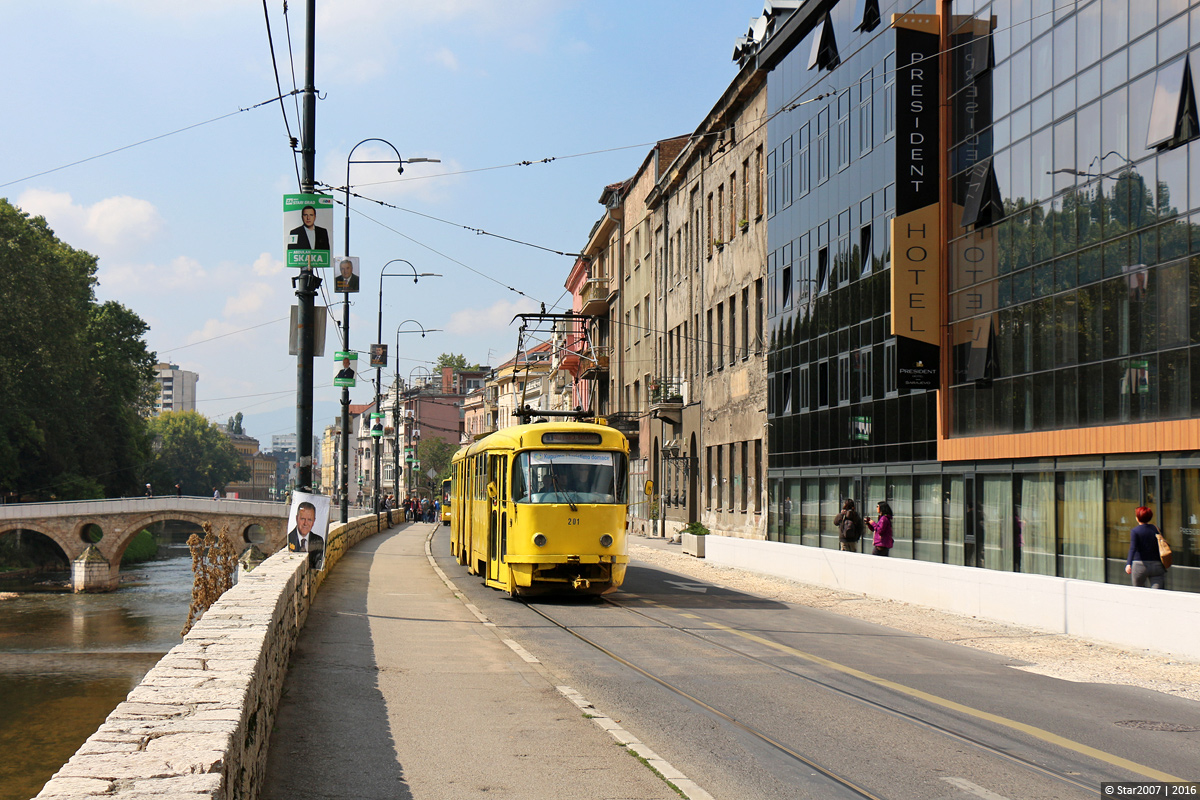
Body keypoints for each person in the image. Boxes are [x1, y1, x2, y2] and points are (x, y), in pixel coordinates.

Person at [1125, 506, 1166, 589]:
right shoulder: (1156, 529)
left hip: (1140, 565)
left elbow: (1133, 548)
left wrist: (1128, 563)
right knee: (1158, 594)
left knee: (1138, 592)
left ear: (1137, 518)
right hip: (1156, 565)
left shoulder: (1135, 531)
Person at [287, 501, 324, 569]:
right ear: (296, 518)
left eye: (309, 520)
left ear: (314, 521)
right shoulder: (288, 538)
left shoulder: (318, 540)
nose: (305, 523)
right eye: (302, 519)